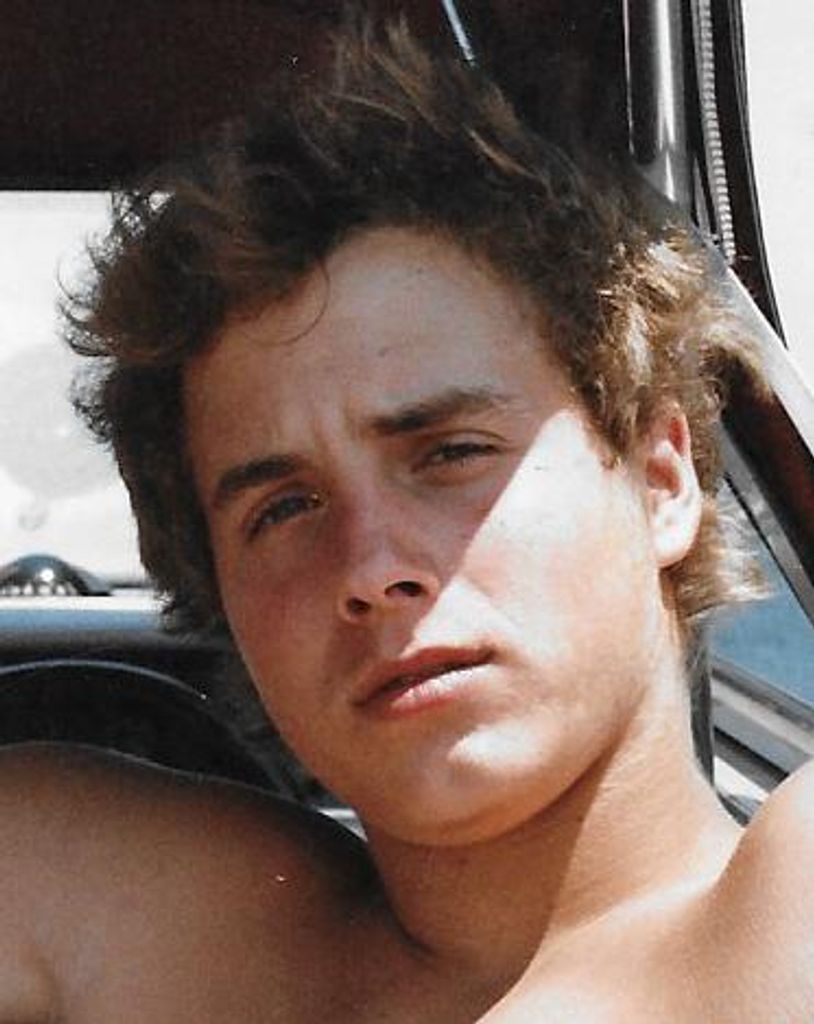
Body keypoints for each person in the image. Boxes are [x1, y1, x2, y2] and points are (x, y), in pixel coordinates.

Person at [1, 18, 812, 1024]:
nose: (371, 567)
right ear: (224, 599)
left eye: (451, 454)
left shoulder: (783, 910)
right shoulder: (154, 917)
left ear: (660, 480)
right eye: (283, 507)